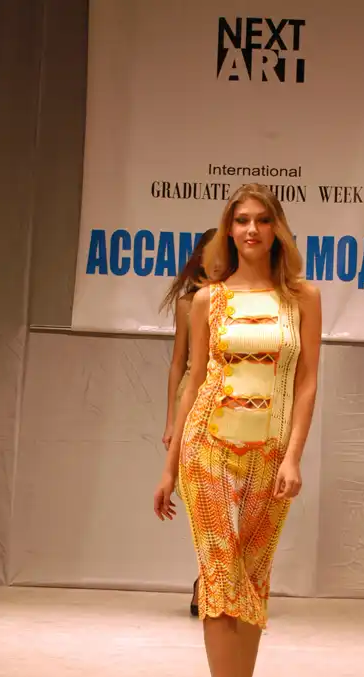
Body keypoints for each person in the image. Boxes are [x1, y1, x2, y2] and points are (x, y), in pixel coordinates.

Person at [154, 184, 321, 677]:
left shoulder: (303, 298)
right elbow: (195, 381)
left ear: (277, 229)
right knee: (220, 581)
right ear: (228, 230)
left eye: (262, 220)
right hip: (207, 451)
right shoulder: (208, 300)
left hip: (271, 457)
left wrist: (293, 457)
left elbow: (307, 382)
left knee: (252, 581)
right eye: (241, 220)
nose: (251, 229)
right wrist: (170, 464)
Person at [160, 228, 216, 617]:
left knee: (229, 494)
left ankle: (216, 579)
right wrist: (170, 420)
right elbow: (179, 362)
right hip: (193, 400)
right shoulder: (188, 303)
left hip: (233, 400)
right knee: (202, 497)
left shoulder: (246, 300)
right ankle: (208, 579)